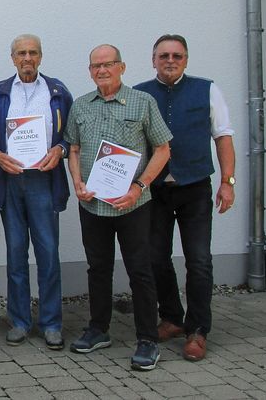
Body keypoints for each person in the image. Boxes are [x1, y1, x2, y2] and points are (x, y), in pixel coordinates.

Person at [64, 44, 172, 371]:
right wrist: (78, 183)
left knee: (140, 270)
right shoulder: (81, 106)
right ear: (90, 71)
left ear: (121, 67)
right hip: (93, 205)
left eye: (108, 64)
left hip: (132, 205)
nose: (101, 70)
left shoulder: (143, 102)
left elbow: (163, 150)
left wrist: (139, 187)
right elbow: (74, 148)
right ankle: (98, 329)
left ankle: (147, 339)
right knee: (98, 269)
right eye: (95, 65)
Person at [134, 34, 236, 361]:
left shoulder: (207, 90)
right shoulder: (140, 93)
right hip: (156, 190)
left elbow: (223, 137)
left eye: (177, 55)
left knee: (199, 261)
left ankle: (198, 330)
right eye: (163, 55)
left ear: (186, 60)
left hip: (194, 187)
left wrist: (228, 181)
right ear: (153, 60)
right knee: (155, 258)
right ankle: (172, 318)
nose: (170, 60)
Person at [0, 34, 73, 350]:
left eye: (33, 52)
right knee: (15, 252)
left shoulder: (58, 92)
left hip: (44, 181)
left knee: (48, 253)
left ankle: (51, 323)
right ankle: (19, 321)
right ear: (12, 57)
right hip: (10, 181)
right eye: (21, 53)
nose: (27, 58)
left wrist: (60, 149)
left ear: (41, 56)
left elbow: (71, 136)